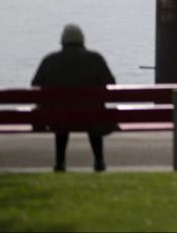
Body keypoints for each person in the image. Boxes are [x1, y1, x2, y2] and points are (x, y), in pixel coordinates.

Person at [32, 24, 116, 172]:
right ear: (82, 40)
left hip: (57, 118)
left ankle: (60, 162)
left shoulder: (50, 60)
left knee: (61, 116)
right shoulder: (95, 59)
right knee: (93, 115)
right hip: (92, 116)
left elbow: (35, 84)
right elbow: (110, 83)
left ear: (62, 41)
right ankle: (99, 160)